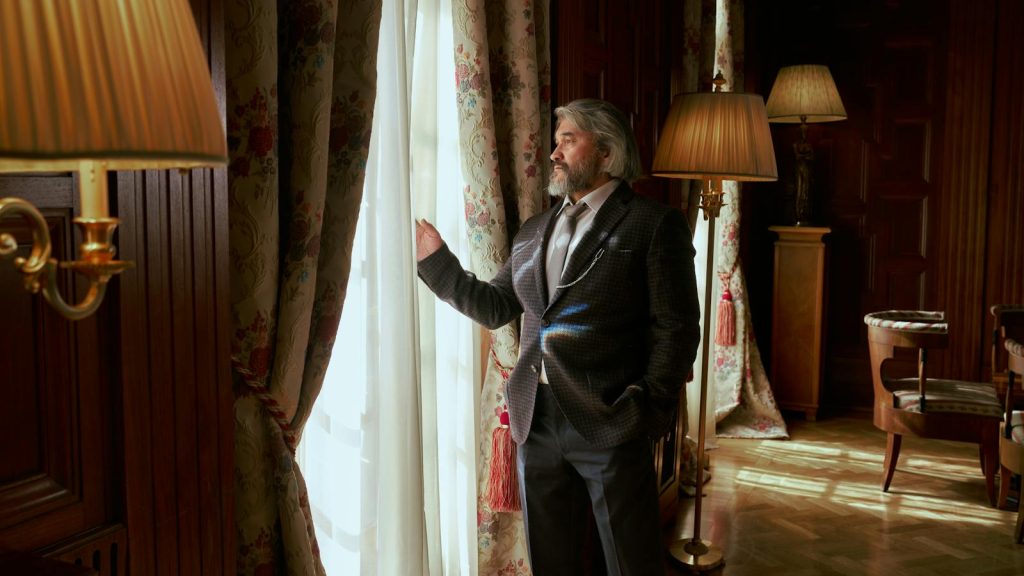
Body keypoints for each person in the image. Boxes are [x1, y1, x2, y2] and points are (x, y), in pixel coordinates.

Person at [416, 98, 700, 575]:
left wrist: (646, 408)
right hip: (536, 420)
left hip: (611, 418)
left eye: (568, 140)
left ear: (606, 153)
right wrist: (437, 262)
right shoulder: (534, 230)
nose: (554, 153)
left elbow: (677, 329)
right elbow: (496, 306)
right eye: (555, 142)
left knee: (633, 563)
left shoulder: (653, 225)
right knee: (552, 562)